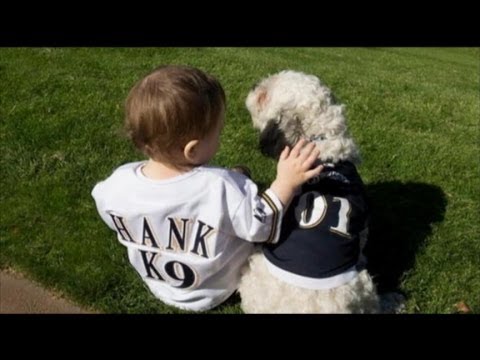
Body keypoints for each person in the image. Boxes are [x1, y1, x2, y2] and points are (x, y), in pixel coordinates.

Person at [91, 65, 323, 312]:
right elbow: (260, 226)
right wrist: (285, 182)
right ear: (192, 150)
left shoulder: (115, 185)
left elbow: (110, 209)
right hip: (215, 290)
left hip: (160, 284)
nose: (220, 137)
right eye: (217, 132)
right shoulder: (221, 187)